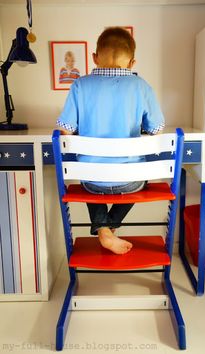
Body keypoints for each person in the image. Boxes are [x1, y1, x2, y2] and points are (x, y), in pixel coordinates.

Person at [56, 27, 165, 255]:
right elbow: (156, 130)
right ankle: (109, 226)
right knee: (141, 179)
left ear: (94, 58)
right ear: (132, 63)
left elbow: (65, 130)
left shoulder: (80, 85)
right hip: (130, 183)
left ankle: (103, 227)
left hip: (92, 183)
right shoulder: (142, 87)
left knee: (90, 176)